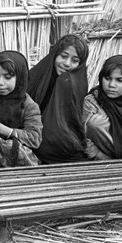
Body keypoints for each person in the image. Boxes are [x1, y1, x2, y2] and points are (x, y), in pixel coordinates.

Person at [27, 34, 90, 163]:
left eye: (74, 60)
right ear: (55, 54)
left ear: (80, 63)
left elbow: (72, 123)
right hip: (29, 137)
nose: (67, 64)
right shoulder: (37, 76)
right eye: (64, 56)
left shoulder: (75, 84)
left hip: (58, 145)